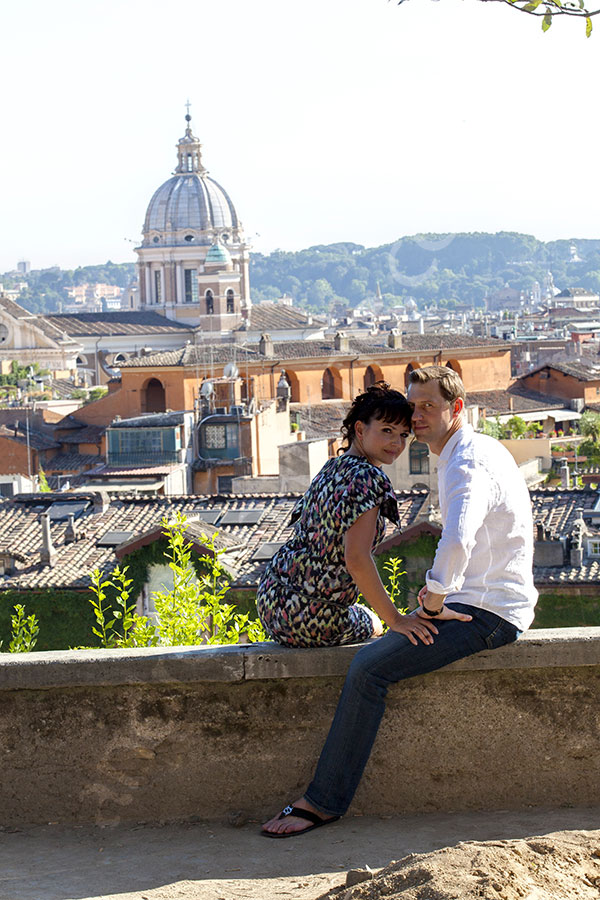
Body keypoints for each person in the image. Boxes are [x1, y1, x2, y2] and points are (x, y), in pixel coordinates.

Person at [261, 365, 537, 838]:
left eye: (428, 407)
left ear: (457, 408)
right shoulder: (467, 451)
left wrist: (429, 603)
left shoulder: (465, 463)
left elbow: (458, 539)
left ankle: (323, 802)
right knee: (375, 639)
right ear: (359, 431)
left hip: (488, 612)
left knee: (369, 669)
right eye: (413, 408)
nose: (417, 419)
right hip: (480, 599)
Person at [257, 382, 435, 648]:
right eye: (387, 430)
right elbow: (356, 557)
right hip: (310, 616)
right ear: (360, 429)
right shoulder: (368, 477)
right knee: (373, 621)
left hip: (272, 601)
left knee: (364, 613)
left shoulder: (332, 468)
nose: (396, 443)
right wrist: (395, 620)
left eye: (403, 435)